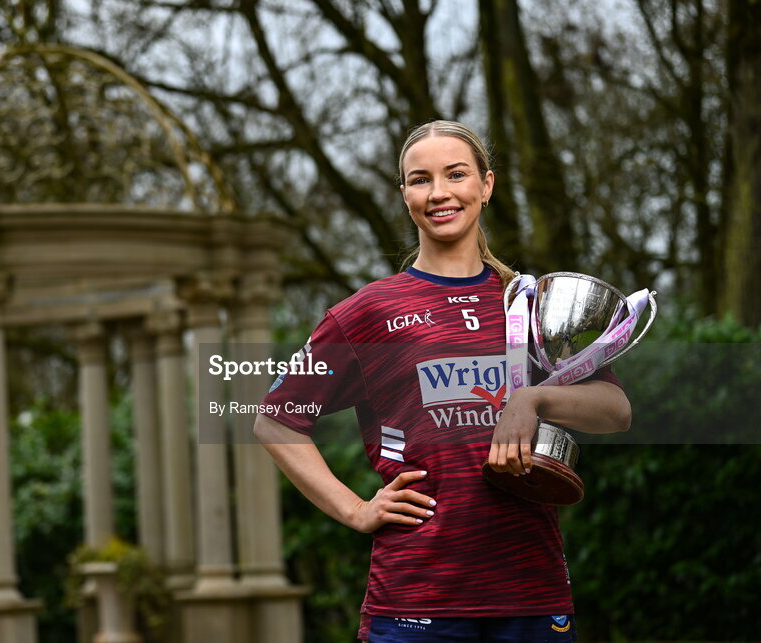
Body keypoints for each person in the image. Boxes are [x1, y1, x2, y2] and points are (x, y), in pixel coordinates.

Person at [253, 120, 631, 642]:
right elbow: (276, 421)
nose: (439, 193)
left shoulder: (530, 303)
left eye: (456, 174)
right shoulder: (368, 312)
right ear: (404, 194)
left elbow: (615, 409)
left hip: (531, 591)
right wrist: (358, 510)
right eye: (420, 179)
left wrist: (533, 397)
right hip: (416, 597)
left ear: (486, 184)